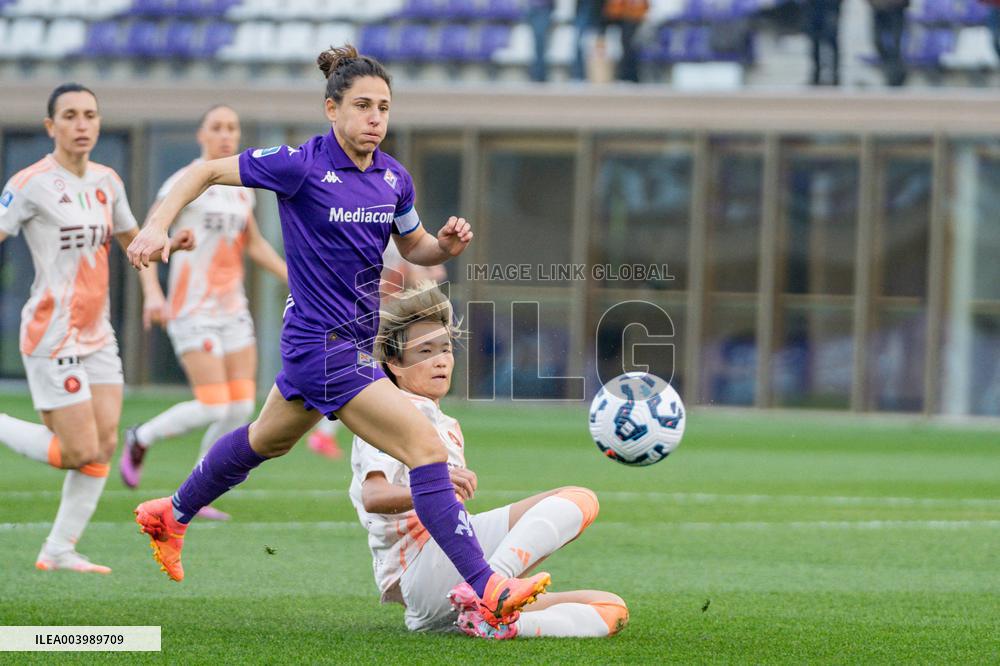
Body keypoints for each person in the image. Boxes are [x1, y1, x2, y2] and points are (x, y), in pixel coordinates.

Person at [125, 45, 550, 628]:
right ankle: (487, 587)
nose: (375, 118)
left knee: (265, 441)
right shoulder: (299, 164)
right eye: (362, 106)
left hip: (348, 345)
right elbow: (203, 172)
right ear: (332, 109)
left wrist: (444, 247)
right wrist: (155, 225)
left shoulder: (393, 178)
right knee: (426, 452)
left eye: (384, 107)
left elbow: (415, 246)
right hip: (319, 347)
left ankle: (170, 514)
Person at [352, 282, 629, 639]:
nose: (440, 360)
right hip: (421, 568)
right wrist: (434, 484)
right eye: (424, 351)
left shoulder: (443, 422)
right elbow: (373, 496)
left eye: (446, 349)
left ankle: (493, 620)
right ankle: (486, 591)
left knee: (610, 609)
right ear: (394, 364)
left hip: (451, 568)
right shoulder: (389, 412)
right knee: (579, 499)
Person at [0, 83, 193, 573]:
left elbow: (136, 241)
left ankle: (59, 549)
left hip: (97, 332)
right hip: (52, 331)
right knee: (76, 450)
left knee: (102, 446)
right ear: (51, 127)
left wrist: (168, 251)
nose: (82, 124)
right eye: (70, 116)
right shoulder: (30, 183)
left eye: (90, 115)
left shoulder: (108, 181)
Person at [119, 105, 288, 522]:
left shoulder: (240, 186)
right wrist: (152, 293)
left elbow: (253, 243)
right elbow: (149, 234)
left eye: (233, 127)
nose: (227, 134)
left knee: (241, 407)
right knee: (214, 404)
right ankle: (141, 436)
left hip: (233, 308)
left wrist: (292, 274)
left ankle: (199, 490)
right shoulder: (185, 181)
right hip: (191, 306)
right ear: (202, 135)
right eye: (218, 127)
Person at [306, 241, 444, 459]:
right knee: (371, 375)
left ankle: (325, 432)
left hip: (375, 314)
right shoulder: (390, 234)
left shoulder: (391, 229)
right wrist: (429, 276)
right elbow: (420, 274)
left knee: (368, 374)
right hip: (376, 315)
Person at [868, 0, 908, 87]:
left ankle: (896, 79)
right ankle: (892, 76)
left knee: (895, 47)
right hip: (878, 8)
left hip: (896, 8)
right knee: (878, 43)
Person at [805, 0, 842, 86]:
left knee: (831, 39)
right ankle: (816, 75)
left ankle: (835, 76)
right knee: (814, 40)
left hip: (830, 5)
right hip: (813, 5)